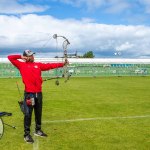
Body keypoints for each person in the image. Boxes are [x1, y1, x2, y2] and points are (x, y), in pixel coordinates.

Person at [7, 50, 68, 144]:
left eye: (32, 55)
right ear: (26, 57)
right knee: (28, 114)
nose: (32, 57)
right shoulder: (21, 65)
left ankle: (38, 130)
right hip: (29, 94)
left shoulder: (38, 65)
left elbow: (49, 65)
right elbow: (10, 57)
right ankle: (26, 135)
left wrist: (62, 64)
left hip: (38, 93)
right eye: (30, 55)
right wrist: (21, 57)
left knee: (38, 113)